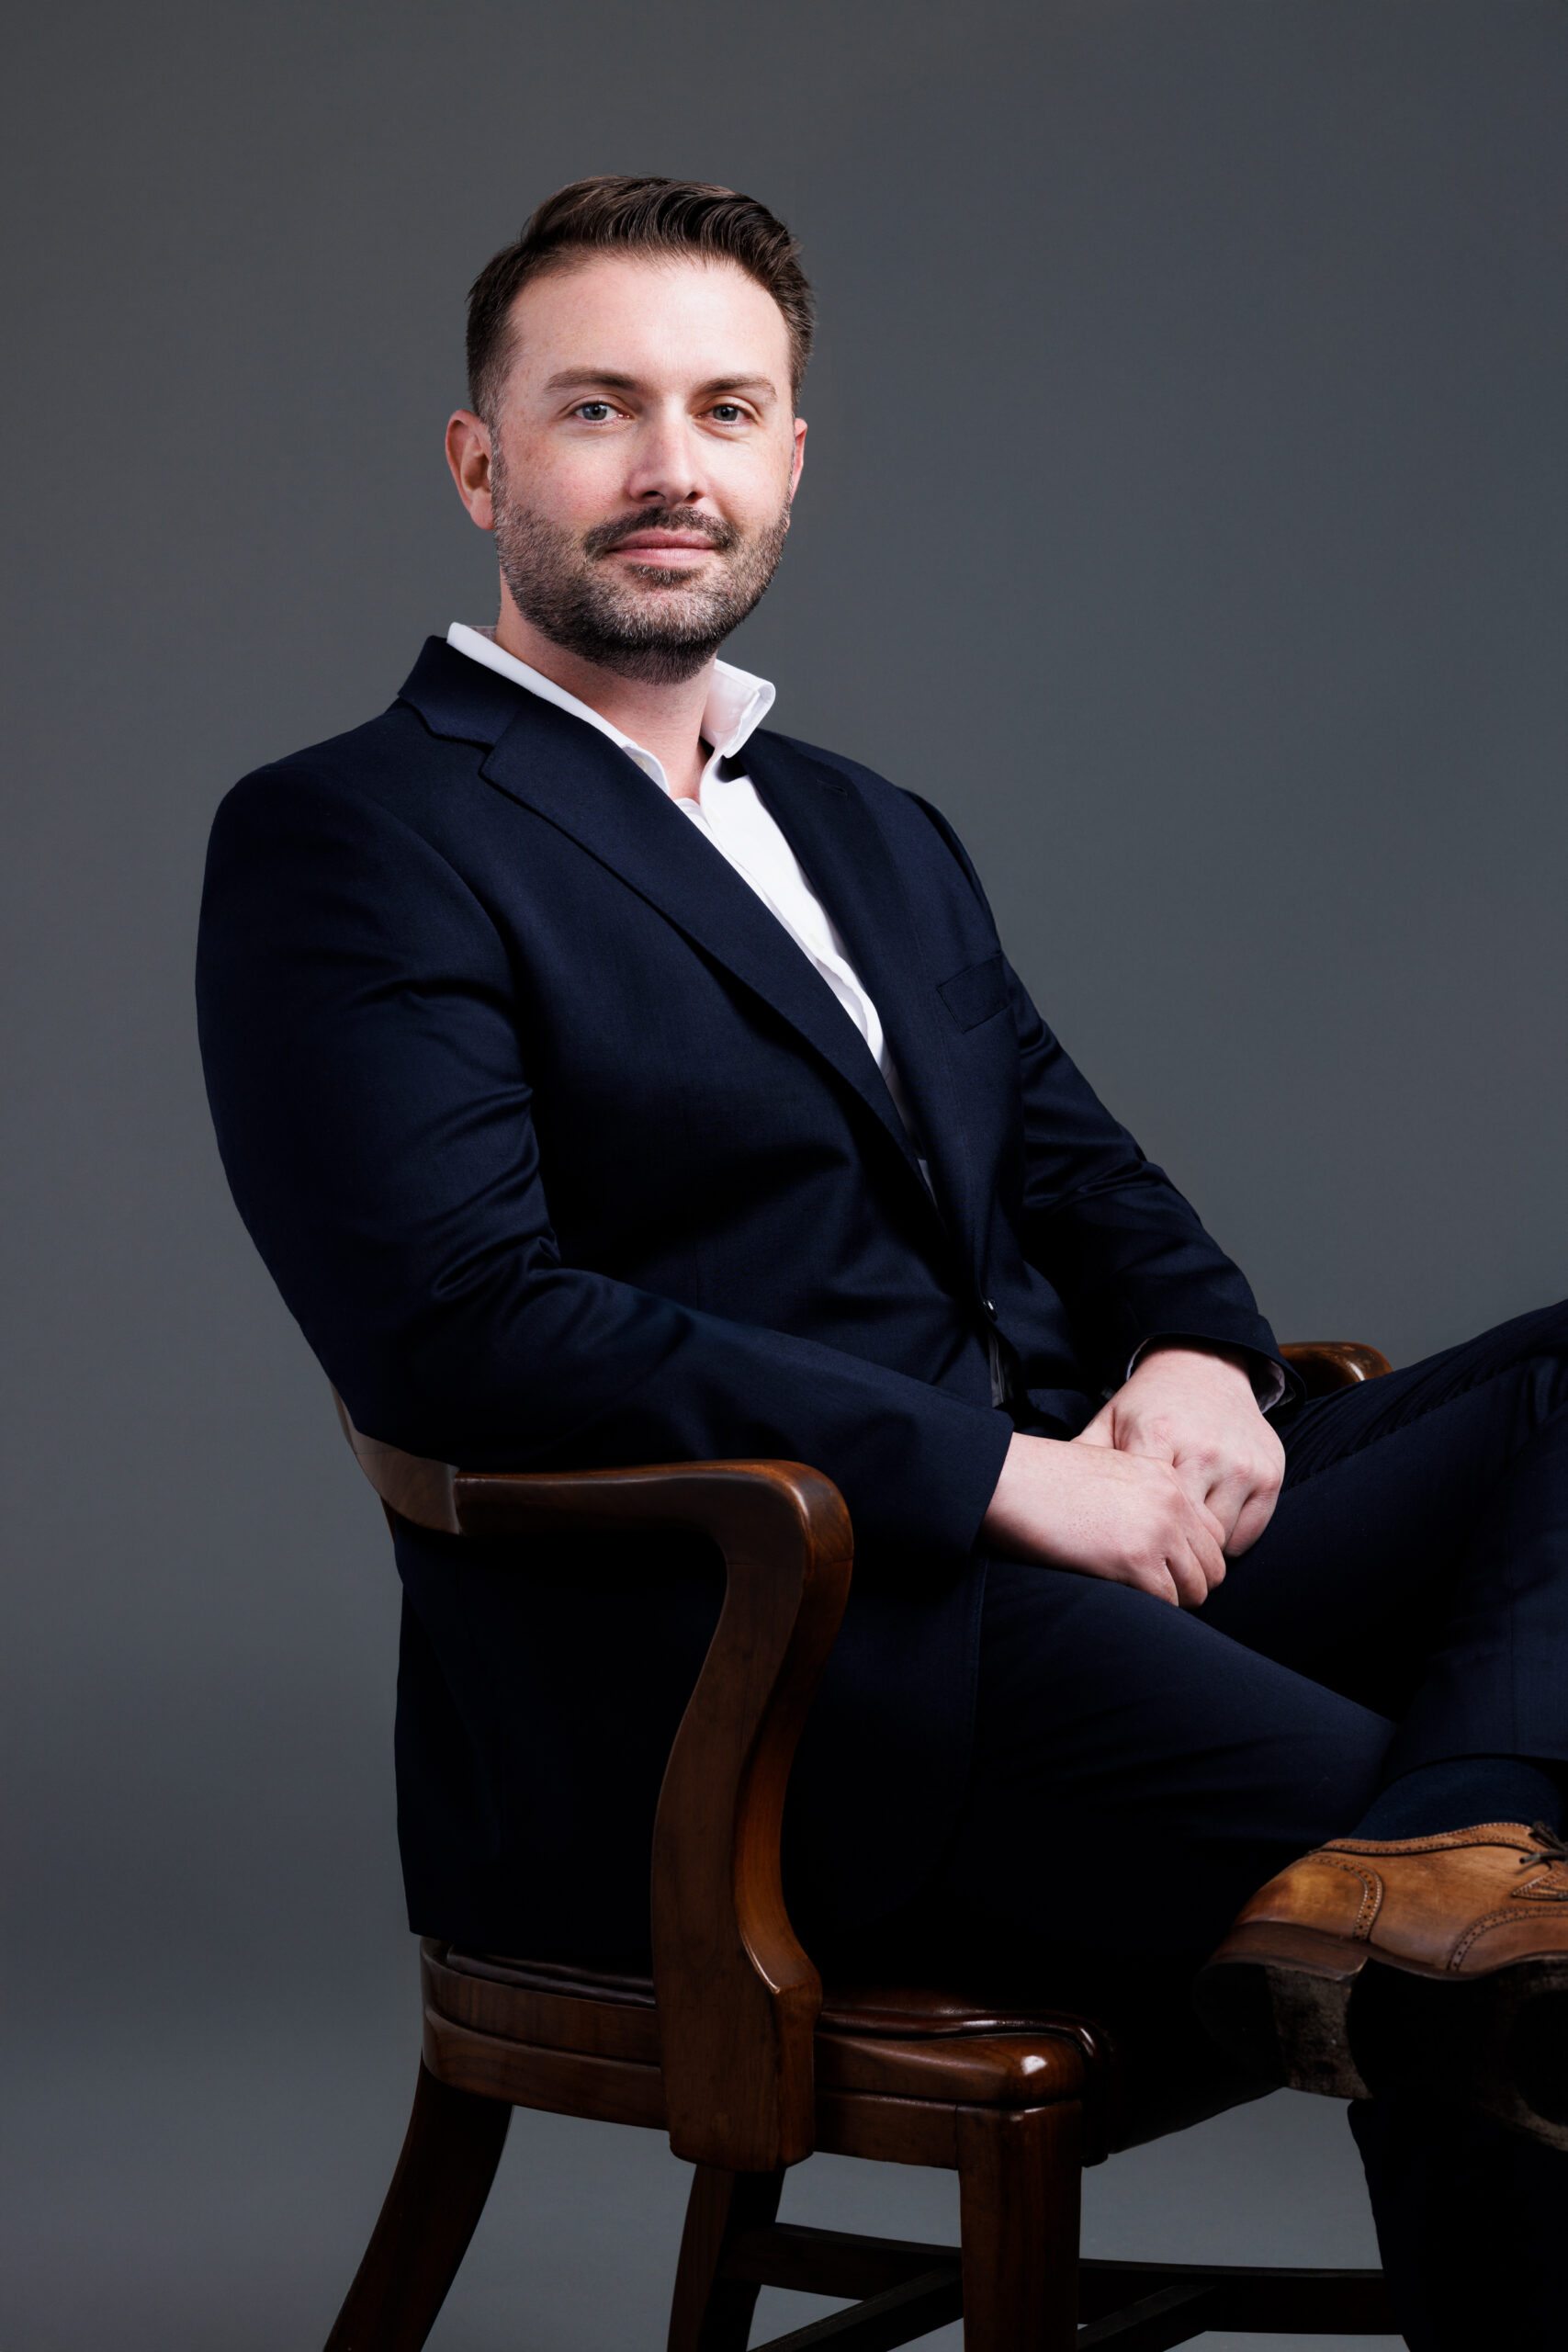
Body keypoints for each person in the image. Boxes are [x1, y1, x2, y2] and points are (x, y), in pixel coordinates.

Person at [195, 176, 1568, 2347]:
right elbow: (459, 1323)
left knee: (1480, 1797)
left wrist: (1194, 1356)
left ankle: (1467, 1839)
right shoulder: (353, 830)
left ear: (790, 459)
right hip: (768, 1662)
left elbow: (1088, 1181)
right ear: (479, 462)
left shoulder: (863, 827)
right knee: (1447, 1905)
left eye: (726, 409)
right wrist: (1003, 1475)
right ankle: (1454, 1871)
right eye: (598, 408)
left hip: (1060, 1565)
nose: (672, 466)